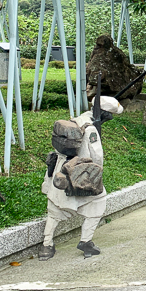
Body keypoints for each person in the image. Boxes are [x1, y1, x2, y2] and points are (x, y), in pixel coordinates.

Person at [39, 96, 124, 261]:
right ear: (104, 113)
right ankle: (86, 241)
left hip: (60, 169)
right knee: (98, 203)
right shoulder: (91, 129)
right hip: (78, 172)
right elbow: (96, 157)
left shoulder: (78, 119)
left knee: (56, 209)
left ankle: (46, 245)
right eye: (110, 114)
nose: (111, 118)